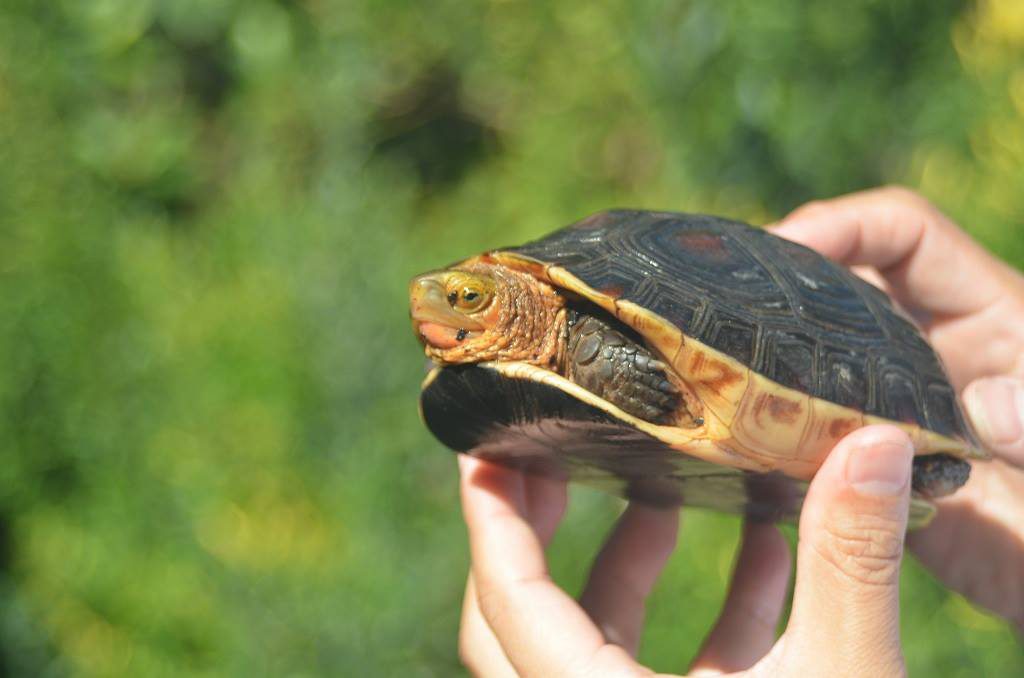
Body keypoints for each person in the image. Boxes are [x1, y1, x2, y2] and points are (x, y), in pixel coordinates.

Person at [456, 187, 1024, 676]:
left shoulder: (577, 328)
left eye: (469, 298)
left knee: (594, 351)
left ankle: (931, 448)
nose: (435, 306)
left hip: (836, 362)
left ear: (517, 303)